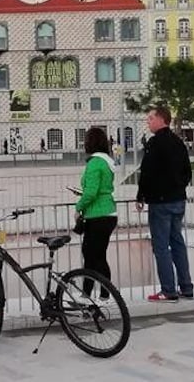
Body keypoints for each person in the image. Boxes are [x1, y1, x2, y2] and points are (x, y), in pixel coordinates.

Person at [136, 105, 193, 302]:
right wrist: (178, 187)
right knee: (177, 241)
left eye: (151, 118)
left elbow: (147, 172)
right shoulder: (178, 142)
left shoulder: (155, 143)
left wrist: (141, 195)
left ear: (162, 119)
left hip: (161, 202)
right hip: (178, 199)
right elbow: (187, 171)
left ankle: (168, 289)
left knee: (161, 246)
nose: (148, 122)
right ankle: (186, 286)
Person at [75, 127, 118, 298]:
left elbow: (91, 192)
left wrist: (79, 206)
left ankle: (103, 294)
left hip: (97, 215)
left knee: (94, 257)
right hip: (107, 213)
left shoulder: (94, 163)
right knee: (95, 255)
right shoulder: (107, 161)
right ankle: (90, 293)